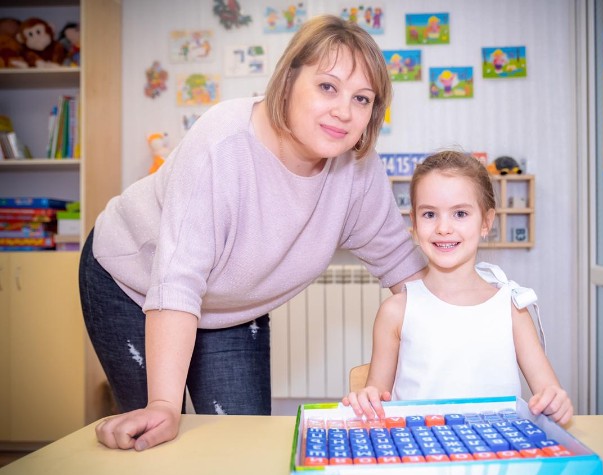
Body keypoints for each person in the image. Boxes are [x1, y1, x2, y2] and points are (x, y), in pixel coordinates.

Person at [79, 14, 426, 452]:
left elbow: (402, 266)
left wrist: (472, 313)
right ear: (287, 80)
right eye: (327, 87)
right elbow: (177, 279)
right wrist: (166, 403)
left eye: (362, 98)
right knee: (157, 434)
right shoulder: (224, 143)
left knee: (240, 445)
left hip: (231, 305)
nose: (344, 111)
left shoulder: (358, 169)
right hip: (133, 281)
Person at [342, 150, 573, 425]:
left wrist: (555, 403)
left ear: (486, 222)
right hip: (421, 454)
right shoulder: (395, 311)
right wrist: (367, 399)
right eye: (429, 214)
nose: (443, 228)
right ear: (414, 224)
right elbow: (377, 399)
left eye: (460, 213)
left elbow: (549, 394)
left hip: (497, 457)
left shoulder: (512, 308)